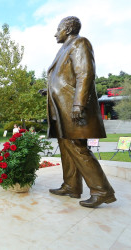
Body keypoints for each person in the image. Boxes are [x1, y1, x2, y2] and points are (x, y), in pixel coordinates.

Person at [44, 16, 115, 208]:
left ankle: (102, 190)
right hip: (62, 108)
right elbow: (64, 79)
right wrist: (49, 90)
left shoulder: (80, 43)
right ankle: (71, 186)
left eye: (58, 29)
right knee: (66, 146)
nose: (55, 33)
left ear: (67, 29)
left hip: (73, 108)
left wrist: (78, 104)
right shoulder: (65, 48)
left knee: (77, 147)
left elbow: (85, 73)